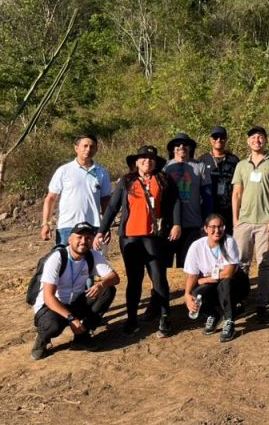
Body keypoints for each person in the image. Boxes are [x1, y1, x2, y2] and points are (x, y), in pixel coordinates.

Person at [95, 145, 182, 337]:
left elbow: (175, 201)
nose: (147, 161)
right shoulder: (126, 181)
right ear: (136, 162)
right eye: (143, 158)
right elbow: (112, 207)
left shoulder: (163, 179)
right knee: (134, 280)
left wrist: (176, 224)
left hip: (154, 237)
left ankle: (165, 317)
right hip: (130, 237)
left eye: (150, 159)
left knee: (158, 278)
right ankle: (132, 319)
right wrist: (101, 231)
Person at [31, 221, 120, 360]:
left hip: (75, 301)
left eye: (88, 238)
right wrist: (71, 318)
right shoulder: (58, 258)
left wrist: (101, 284)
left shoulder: (93, 256)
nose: (83, 241)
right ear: (70, 239)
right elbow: (48, 297)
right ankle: (42, 338)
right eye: (79, 237)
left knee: (108, 290)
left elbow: (114, 277)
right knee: (52, 326)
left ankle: (81, 338)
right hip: (52, 306)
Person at [231, 126, 269, 319]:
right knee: (242, 264)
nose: (257, 140)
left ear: (266, 140)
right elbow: (236, 193)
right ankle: (240, 299)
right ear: (248, 142)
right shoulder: (241, 165)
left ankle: (262, 303)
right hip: (244, 221)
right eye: (253, 138)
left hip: (266, 222)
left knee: (264, 263)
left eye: (260, 137)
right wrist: (235, 219)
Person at [183, 214, 249, 342]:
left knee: (226, 283)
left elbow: (228, 273)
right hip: (215, 285)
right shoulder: (196, 246)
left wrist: (205, 279)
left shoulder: (229, 242)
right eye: (213, 227)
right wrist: (186, 294)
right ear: (206, 229)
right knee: (197, 293)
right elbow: (193, 275)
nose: (217, 230)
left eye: (220, 227)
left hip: (235, 285)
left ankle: (229, 321)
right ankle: (213, 315)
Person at [40, 134, 112, 245]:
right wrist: (46, 224)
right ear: (76, 148)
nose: (88, 149)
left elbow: (106, 201)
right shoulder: (64, 171)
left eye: (92, 146)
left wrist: (106, 227)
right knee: (65, 260)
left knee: (93, 261)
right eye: (85, 146)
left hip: (93, 227)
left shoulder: (102, 172)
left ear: (96, 149)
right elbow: (51, 198)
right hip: (67, 227)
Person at [162, 132, 213, 270]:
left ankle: (192, 290)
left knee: (191, 263)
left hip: (193, 222)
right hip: (170, 223)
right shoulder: (166, 168)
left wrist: (208, 220)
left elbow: (207, 196)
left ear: (190, 147)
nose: (181, 146)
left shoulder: (200, 167)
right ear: (173, 149)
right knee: (163, 262)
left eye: (185, 144)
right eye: (177, 144)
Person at [200, 126, 239, 230]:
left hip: (228, 209)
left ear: (226, 139)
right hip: (208, 208)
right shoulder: (202, 160)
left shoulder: (234, 160)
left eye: (221, 137)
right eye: (215, 137)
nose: (218, 140)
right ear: (210, 139)